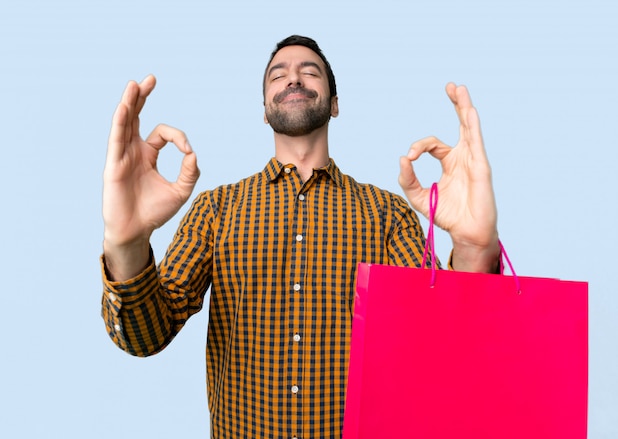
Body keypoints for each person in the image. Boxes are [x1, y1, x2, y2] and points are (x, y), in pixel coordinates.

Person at [100, 35, 500, 439]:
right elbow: (144, 335)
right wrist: (127, 244)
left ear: (335, 104)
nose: (293, 78)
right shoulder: (216, 210)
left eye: (309, 71)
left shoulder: (387, 215)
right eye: (278, 75)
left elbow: (443, 341)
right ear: (264, 110)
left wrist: (473, 248)